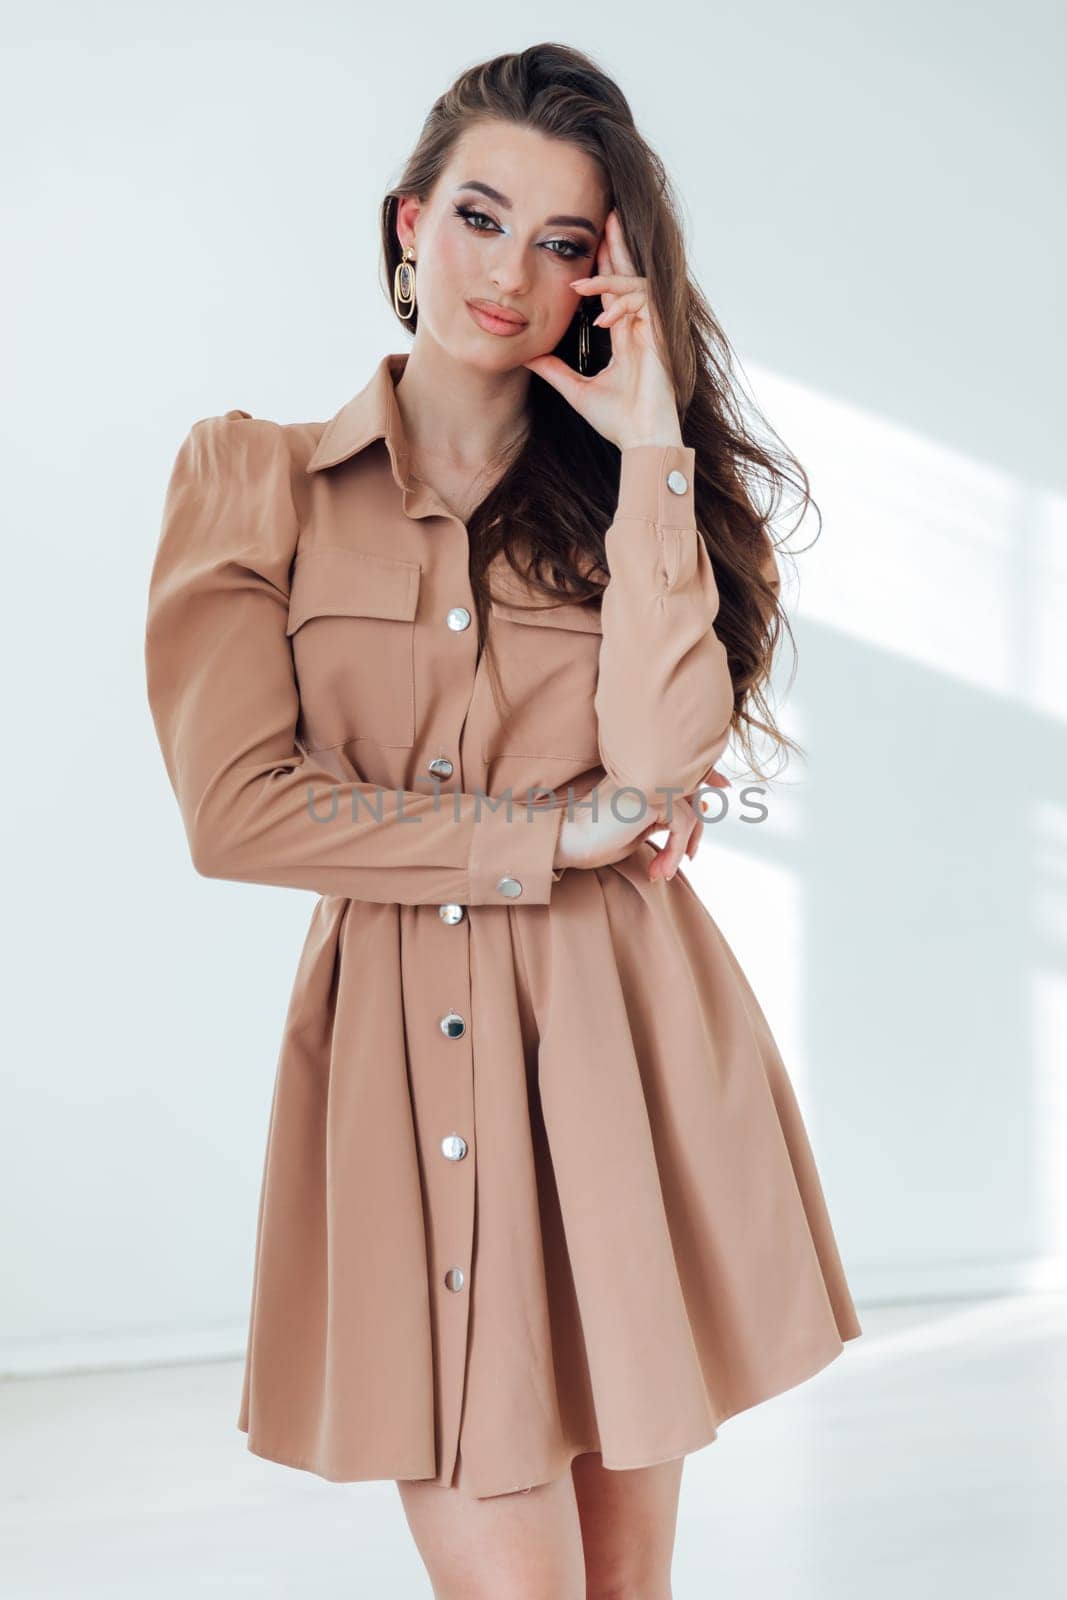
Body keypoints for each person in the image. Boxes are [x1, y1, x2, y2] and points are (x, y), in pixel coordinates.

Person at [144, 40, 862, 1600]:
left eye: (561, 244)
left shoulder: (634, 499)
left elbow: (663, 758)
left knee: (627, 1586)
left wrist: (656, 447)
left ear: (604, 279)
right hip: (403, 1066)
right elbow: (236, 811)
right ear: (407, 223)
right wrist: (544, 836)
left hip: (624, 1052)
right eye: (479, 216)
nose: (507, 272)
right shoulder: (251, 480)